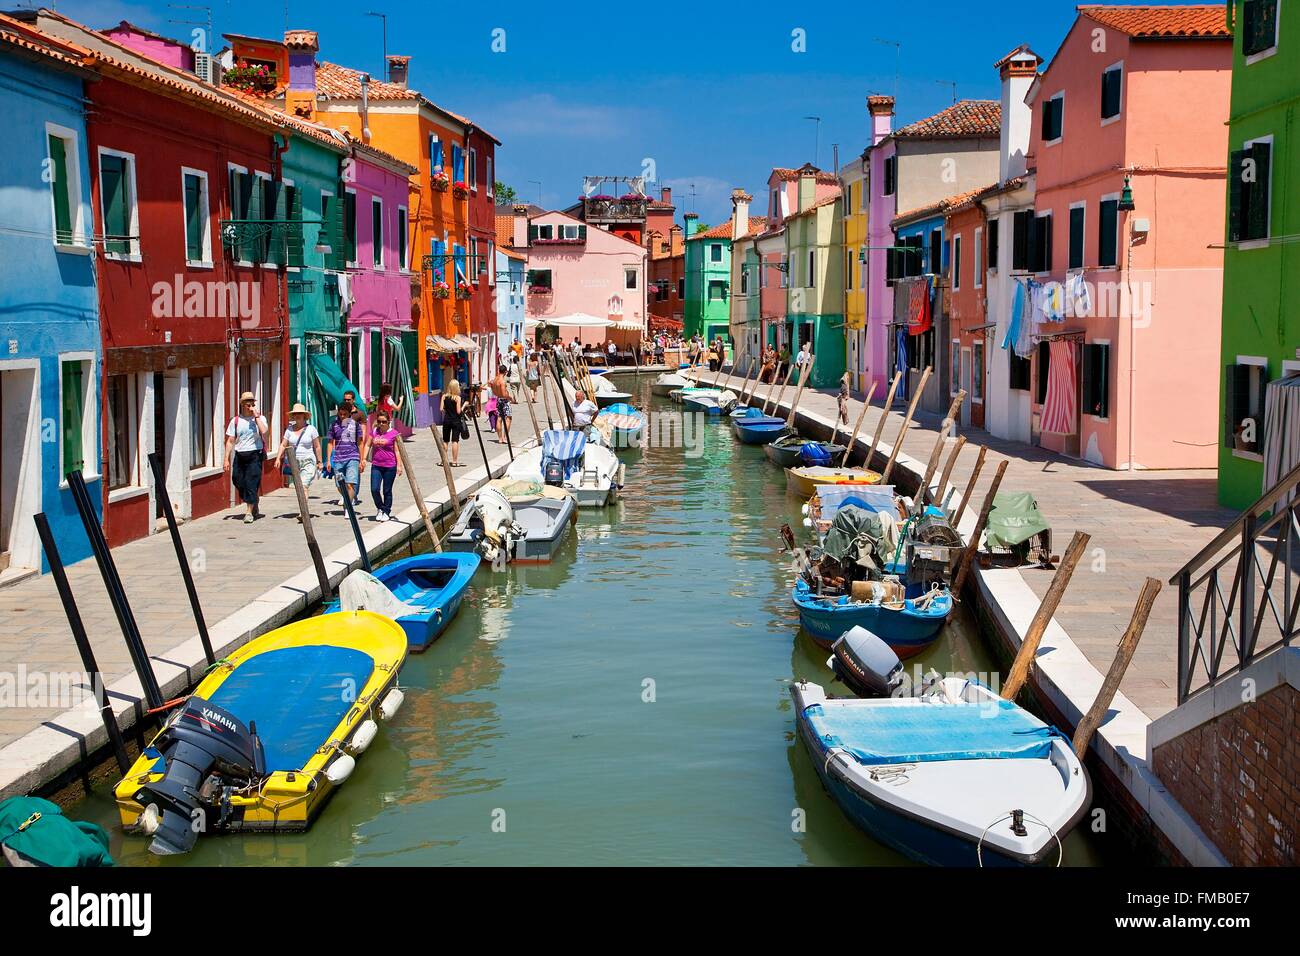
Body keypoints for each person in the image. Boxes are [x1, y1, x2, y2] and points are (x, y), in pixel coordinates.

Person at [224, 391, 269, 524]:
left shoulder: (260, 418)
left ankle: (249, 512)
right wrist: (226, 458)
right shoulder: (236, 421)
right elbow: (231, 440)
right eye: (246, 402)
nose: (249, 404)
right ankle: (253, 499)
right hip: (240, 454)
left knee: (251, 482)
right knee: (237, 480)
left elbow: (264, 431)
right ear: (242, 404)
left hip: (255, 454)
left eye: (251, 402)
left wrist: (256, 417)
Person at [274, 403, 321, 522]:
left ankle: (302, 512)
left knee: (303, 486)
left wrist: (320, 462)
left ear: (304, 416)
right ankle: (303, 509)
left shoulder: (311, 429)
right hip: (294, 463)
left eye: (300, 414)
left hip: (308, 461)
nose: (297, 416)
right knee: (299, 488)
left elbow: (317, 447)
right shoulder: (289, 430)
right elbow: (283, 444)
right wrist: (278, 458)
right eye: (295, 414)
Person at [326, 392, 367, 507]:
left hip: (352, 457)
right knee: (339, 485)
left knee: (350, 484)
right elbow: (330, 443)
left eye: (345, 414)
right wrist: (329, 460)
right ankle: (348, 499)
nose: (342, 416)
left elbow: (360, 442)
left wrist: (362, 459)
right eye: (340, 414)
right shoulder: (333, 425)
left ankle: (348, 507)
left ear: (349, 414)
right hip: (338, 458)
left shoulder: (355, 425)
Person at [368, 411, 401, 522]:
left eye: (384, 422)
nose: (381, 424)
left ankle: (386, 511)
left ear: (388, 422)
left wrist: (399, 466)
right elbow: (368, 445)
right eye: (379, 422)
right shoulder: (374, 432)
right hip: (376, 465)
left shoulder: (394, 433)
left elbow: (397, 450)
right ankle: (380, 508)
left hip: (390, 466)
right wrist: (362, 459)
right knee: (374, 489)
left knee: (387, 490)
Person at [441, 379, 466, 467]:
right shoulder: (457, 398)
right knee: (455, 440)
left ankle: (443, 460)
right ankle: (454, 461)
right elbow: (459, 411)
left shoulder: (444, 396)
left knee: (445, 440)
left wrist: (448, 410)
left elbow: (441, 409)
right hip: (455, 421)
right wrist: (464, 406)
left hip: (446, 420)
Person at [491, 364, 513, 442]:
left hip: (498, 399)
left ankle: (500, 438)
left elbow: (493, 390)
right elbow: (504, 394)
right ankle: (505, 437)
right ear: (505, 372)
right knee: (508, 418)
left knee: (499, 418)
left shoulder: (495, 380)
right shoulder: (502, 381)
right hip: (504, 400)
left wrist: (498, 394)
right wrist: (510, 398)